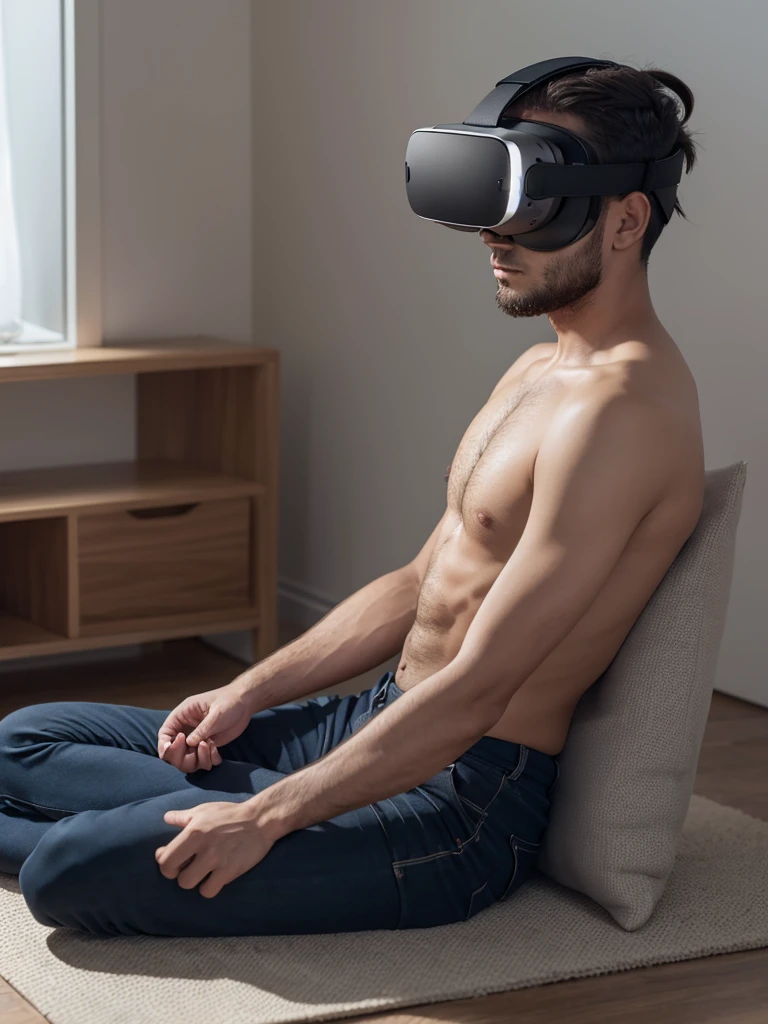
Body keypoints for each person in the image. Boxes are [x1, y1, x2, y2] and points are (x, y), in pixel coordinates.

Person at [0, 63, 704, 938]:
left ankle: (227, 822)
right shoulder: (542, 368)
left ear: (626, 218)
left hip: (459, 800)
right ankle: (243, 814)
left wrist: (263, 818)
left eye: (533, 209)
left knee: (67, 872)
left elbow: (482, 688)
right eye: (493, 199)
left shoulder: (626, 416)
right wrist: (248, 693)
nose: (495, 235)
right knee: (24, 738)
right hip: (374, 719)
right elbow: (420, 578)